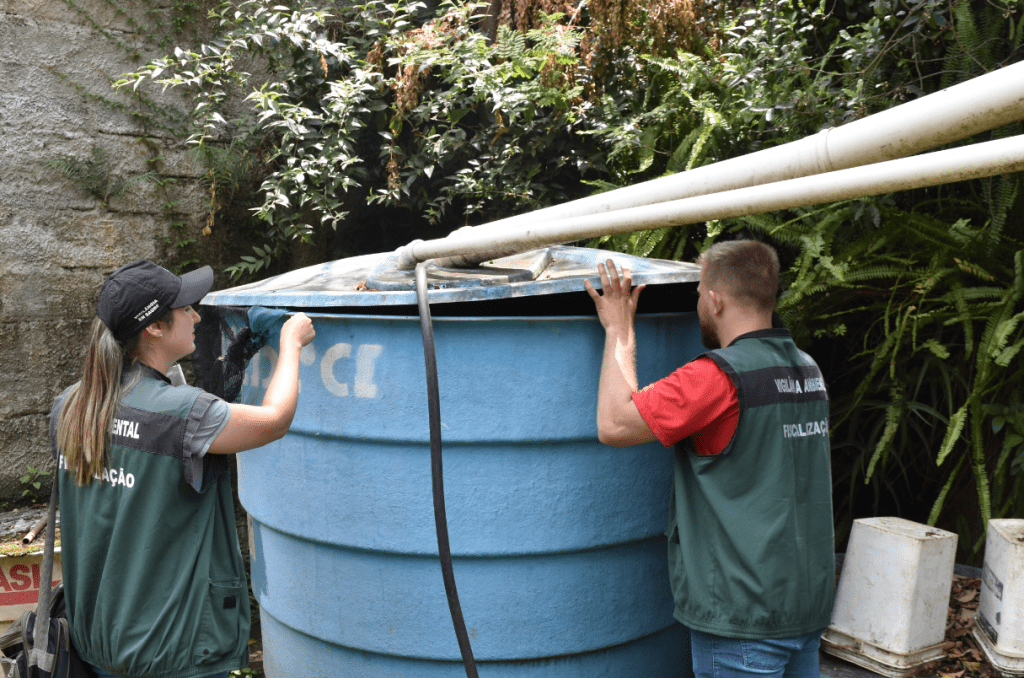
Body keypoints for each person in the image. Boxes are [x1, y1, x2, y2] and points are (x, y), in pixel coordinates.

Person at [48, 260, 315, 678]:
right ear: (154, 327)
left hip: (95, 643)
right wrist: (291, 342)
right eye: (187, 308)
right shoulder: (185, 414)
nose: (196, 316)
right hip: (169, 650)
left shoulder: (70, 405)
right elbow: (275, 419)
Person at [584, 240, 834, 678]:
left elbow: (614, 423)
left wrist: (619, 330)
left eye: (699, 292)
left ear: (715, 300)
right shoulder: (807, 370)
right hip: (803, 607)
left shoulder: (718, 378)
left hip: (743, 621)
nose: (699, 300)